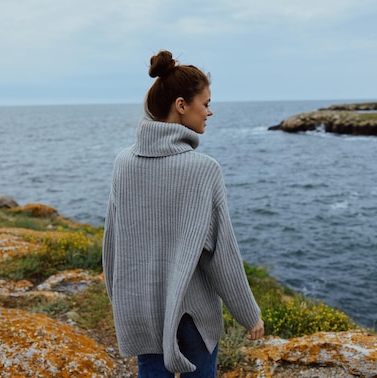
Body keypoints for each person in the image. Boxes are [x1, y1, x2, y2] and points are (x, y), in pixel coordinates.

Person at [102, 50, 264, 377]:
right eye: (205, 103)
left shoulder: (123, 163)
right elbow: (221, 253)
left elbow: (112, 245)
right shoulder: (204, 170)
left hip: (142, 307)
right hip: (192, 312)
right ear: (181, 105)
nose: (210, 111)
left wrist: (122, 301)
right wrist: (250, 314)